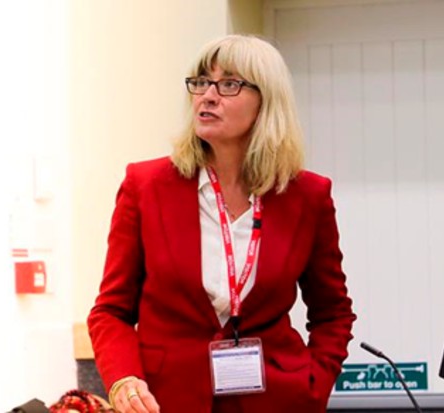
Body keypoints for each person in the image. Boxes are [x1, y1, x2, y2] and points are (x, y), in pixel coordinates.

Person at [88, 34, 356, 413]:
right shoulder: (145, 187)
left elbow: (332, 313)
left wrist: (314, 384)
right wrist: (123, 379)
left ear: (267, 102)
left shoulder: (307, 196)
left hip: (276, 399)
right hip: (168, 400)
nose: (208, 95)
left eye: (229, 84)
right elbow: (111, 311)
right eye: (201, 82)